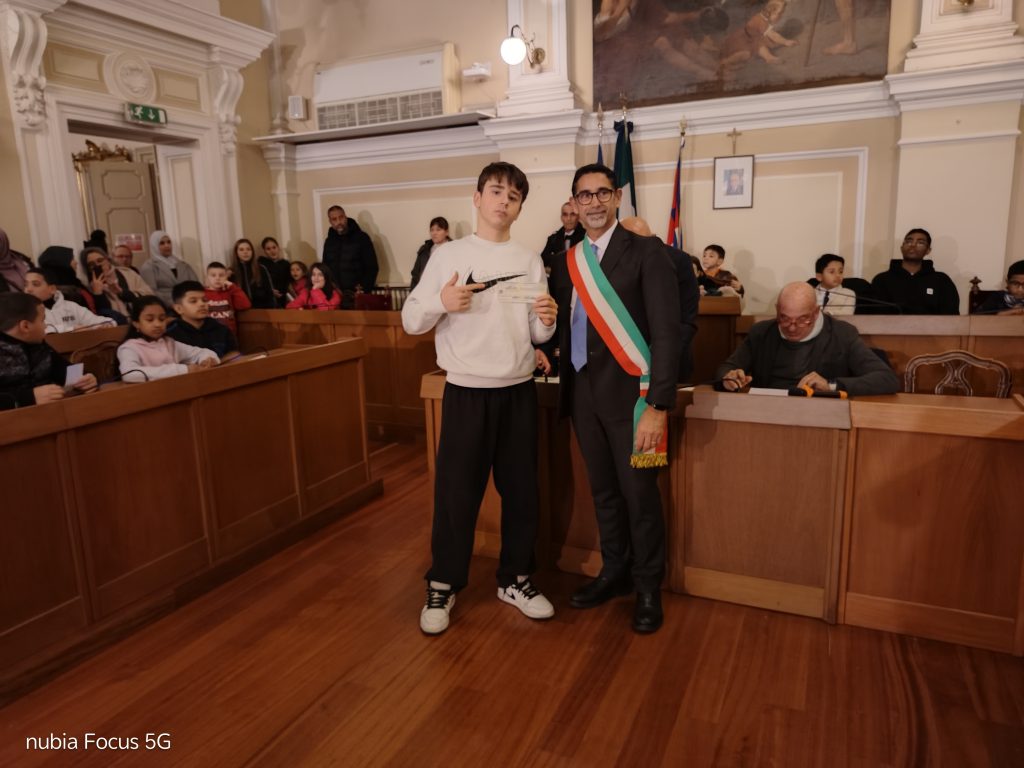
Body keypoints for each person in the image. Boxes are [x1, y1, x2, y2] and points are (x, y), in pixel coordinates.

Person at [402, 161, 557, 636]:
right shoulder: (447, 255)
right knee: (457, 495)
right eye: (495, 191)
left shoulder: (529, 259)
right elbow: (411, 319)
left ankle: (515, 579)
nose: (503, 201)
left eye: (513, 196)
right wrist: (441, 303)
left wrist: (546, 321)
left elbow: (534, 332)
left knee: (522, 493)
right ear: (477, 198)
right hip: (466, 391)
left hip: (518, 391)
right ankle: (443, 583)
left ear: (520, 207)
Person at [549, 163, 682, 634]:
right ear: (574, 203)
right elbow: (565, 325)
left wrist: (658, 405)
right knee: (603, 492)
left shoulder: (647, 251)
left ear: (618, 197)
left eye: (602, 193)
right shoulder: (567, 262)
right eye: (584, 195)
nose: (594, 203)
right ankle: (615, 571)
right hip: (582, 394)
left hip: (633, 399)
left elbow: (666, 332)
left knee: (639, 496)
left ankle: (647, 586)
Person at [717, 282, 900, 396]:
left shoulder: (842, 334)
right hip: (766, 411)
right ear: (777, 309)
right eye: (784, 318)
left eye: (802, 319)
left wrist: (831, 386)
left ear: (816, 312)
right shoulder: (762, 332)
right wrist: (729, 378)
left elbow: (886, 379)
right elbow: (725, 369)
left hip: (817, 416)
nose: (792, 327)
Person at [619, 216, 700, 383]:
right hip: (623, 361)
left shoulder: (678, 260)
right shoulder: (613, 261)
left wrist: (662, 357)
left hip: (668, 361)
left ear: (653, 238)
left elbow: (687, 318)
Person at [0, 292, 98, 410]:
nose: (46, 326)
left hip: (52, 413)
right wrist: (29, 398)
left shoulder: (39, 345)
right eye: (43, 320)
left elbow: (66, 371)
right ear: (25, 326)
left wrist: (87, 379)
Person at [117, 296, 219, 382]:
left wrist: (206, 359)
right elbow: (129, 374)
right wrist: (183, 370)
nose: (157, 324)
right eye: (150, 319)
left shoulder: (169, 343)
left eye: (162, 319)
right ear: (136, 323)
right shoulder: (129, 348)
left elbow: (201, 352)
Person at [870, 228, 959, 315]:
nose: (913, 245)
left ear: (928, 250)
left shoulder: (941, 281)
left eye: (920, 243)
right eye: (909, 241)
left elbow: (951, 316)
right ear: (902, 247)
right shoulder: (882, 280)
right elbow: (874, 314)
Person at [23, 268, 115, 333]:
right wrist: (72, 329)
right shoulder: (23, 311)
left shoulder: (71, 307)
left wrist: (104, 325)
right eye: (25, 285)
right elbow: (41, 331)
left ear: (52, 289)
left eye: (35, 284)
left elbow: (105, 321)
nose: (28, 289)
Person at [168, 281, 240, 359]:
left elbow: (234, 354)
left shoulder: (222, 329)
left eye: (204, 300)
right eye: (193, 301)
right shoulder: (171, 335)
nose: (202, 304)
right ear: (178, 308)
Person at [322, 205, 378, 305]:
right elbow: (325, 268)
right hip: (335, 295)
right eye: (334, 219)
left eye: (341, 217)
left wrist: (363, 290)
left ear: (345, 217)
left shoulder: (362, 238)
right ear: (330, 221)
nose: (339, 222)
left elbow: (372, 267)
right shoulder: (329, 241)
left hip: (358, 295)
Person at [80, 246, 152, 319]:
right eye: (91, 264)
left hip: (139, 317)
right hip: (115, 322)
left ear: (107, 260)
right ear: (88, 269)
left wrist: (121, 292)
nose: (97, 265)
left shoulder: (128, 273)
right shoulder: (89, 287)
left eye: (100, 260)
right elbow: (101, 314)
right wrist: (98, 294)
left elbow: (149, 296)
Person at [140, 231, 199, 305]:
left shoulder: (183, 264)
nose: (167, 245)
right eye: (162, 243)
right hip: (164, 306)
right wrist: (173, 304)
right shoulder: (149, 266)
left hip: (188, 304)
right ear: (154, 246)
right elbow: (151, 291)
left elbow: (196, 286)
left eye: (169, 242)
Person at [204, 261, 251, 333]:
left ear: (226, 277)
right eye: (213, 275)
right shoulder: (203, 293)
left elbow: (245, 305)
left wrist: (233, 287)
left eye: (221, 275)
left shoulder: (230, 291)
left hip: (229, 333)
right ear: (207, 277)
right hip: (210, 333)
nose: (217, 278)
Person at [540, 201, 584, 272]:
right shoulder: (553, 238)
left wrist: (555, 258)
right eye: (565, 215)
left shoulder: (587, 237)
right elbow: (543, 259)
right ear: (561, 218)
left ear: (578, 217)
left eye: (572, 214)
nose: (569, 218)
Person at [410, 217, 452, 290]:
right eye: (432, 230)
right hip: (425, 290)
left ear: (446, 232)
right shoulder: (425, 249)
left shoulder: (454, 248)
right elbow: (415, 274)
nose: (434, 233)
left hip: (446, 290)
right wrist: (413, 293)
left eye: (438, 229)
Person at [233, 238, 276, 309]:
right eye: (241, 250)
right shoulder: (232, 272)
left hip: (262, 310)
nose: (245, 252)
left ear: (252, 251)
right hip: (241, 311)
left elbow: (270, 293)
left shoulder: (261, 268)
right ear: (236, 253)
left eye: (248, 249)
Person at [259, 236, 292, 307]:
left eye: (274, 247)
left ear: (278, 248)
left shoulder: (286, 264)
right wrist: (269, 291)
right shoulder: (261, 264)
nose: (272, 251)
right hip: (267, 301)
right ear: (264, 251)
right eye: (268, 249)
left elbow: (289, 281)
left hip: (284, 300)